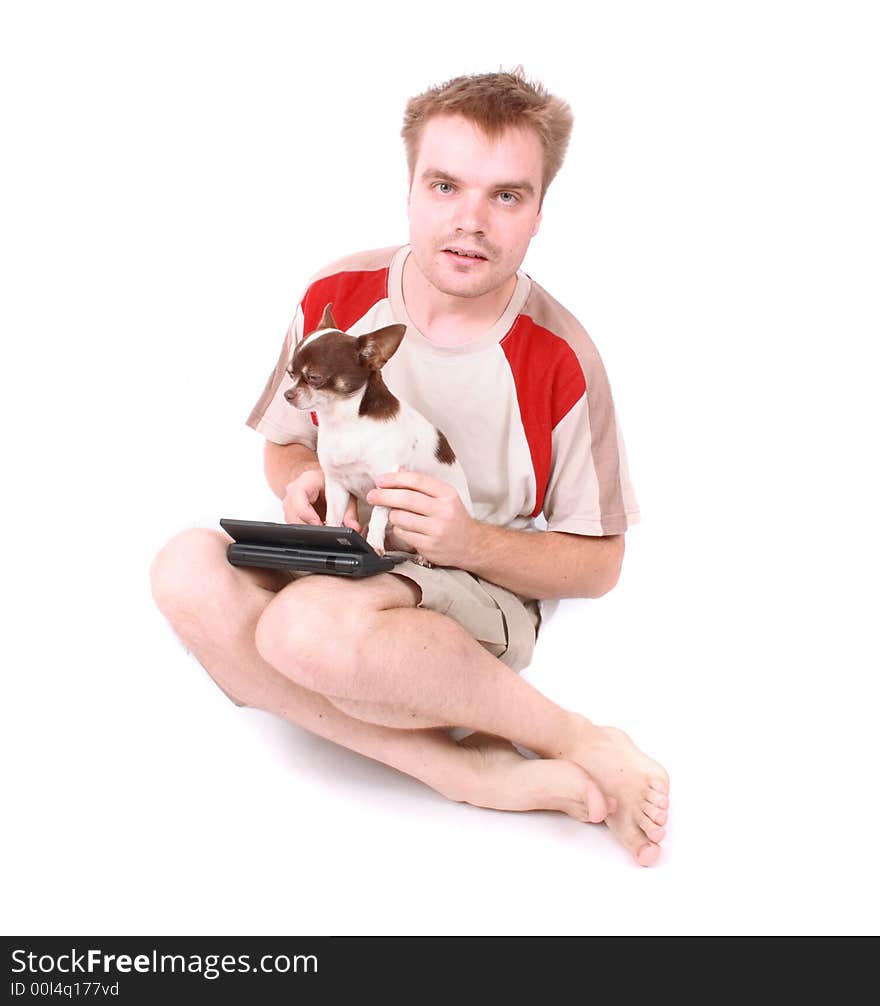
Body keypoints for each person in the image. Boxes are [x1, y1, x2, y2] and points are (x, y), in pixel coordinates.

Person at [150, 69, 669, 866]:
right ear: (410, 187)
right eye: (445, 185)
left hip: (472, 588)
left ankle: (577, 737)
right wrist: (303, 481)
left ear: (538, 213)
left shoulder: (564, 358)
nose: (469, 223)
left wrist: (469, 542)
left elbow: (602, 565)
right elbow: (285, 440)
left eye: (505, 196)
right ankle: (455, 767)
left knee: (301, 628)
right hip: (355, 561)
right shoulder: (337, 293)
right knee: (184, 566)